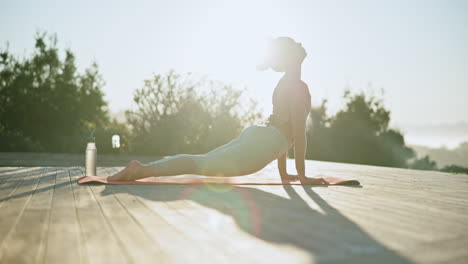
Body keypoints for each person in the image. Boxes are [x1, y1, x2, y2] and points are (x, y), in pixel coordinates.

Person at [109, 37, 317, 182]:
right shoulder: (298, 87)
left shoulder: (284, 83)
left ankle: (144, 168)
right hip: (264, 142)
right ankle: (142, 170)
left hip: (260, 135)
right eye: (294, 43)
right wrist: (302, 174)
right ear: (291, 55)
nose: (300, 43)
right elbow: (297, 133)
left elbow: (282, 128)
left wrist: (284, 173)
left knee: (202, 160)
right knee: (201, 163)